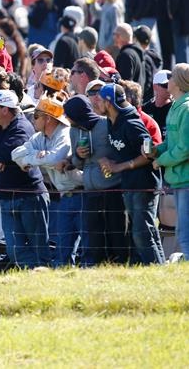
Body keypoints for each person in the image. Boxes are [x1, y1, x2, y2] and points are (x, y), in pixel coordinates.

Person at [0, 90, 50, 268]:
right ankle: (36, 276)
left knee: (39, 248)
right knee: (15, 250)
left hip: (29, 196)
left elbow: (8, 153)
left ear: (5, 110)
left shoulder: (22, 128)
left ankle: (44, 279)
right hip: (7, 197)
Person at [97, 84, 165, 265]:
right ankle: (159, 268)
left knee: (142, 232)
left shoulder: (131, 123)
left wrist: (120, 167)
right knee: (144, 230)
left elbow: (149, 154)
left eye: (100, 100)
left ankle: (155, 269)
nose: (96, 103)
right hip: (130, 183)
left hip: (143, 183)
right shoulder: (112, 121)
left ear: (108, 103)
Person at [13, 93, 81, 267]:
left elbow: (55, 158)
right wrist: (38, 157)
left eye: (36, 116)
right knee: (64, 246)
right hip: (66, 195)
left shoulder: (64, 134)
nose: (33, 119)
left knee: (86, 244)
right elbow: (16, 154)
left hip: (82, 193)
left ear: (48, 119)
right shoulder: (40, 138)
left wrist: (33, 160)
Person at [64, 92, 127, 266]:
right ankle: (95, 267)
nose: (67, 119)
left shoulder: (106, 125)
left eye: (69, 115)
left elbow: (121, 151)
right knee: (93, 234)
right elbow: (77, 164)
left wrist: (112, 162)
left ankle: (121, 265)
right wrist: (78, 155)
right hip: (90, 189)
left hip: (113, 187)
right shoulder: (74, 130)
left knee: (116, 232)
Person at [151, 64, 189, 260]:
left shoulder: (187, 109)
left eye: (172, 77)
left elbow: (184, 148)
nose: (169, 81)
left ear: (180, 82)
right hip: (178, 180)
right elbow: (171, 142)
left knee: (185, 234)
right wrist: (155, 149)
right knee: (182, 232)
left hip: (187, 181)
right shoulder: (177, 106)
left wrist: (160, 160)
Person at [143, 70, 173, 136]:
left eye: (172, 85)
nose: (170, 88)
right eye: (166, 85)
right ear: (155, 86)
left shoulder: (176, 109)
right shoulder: (145, 109)